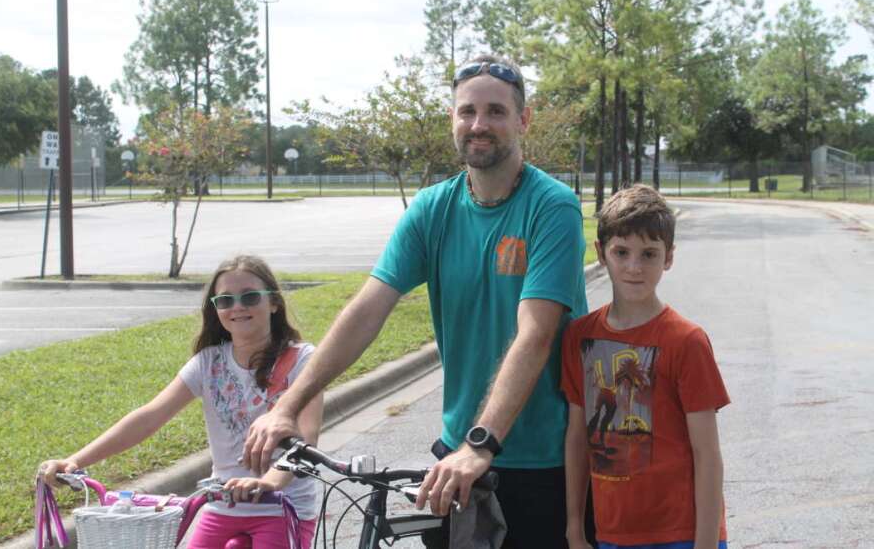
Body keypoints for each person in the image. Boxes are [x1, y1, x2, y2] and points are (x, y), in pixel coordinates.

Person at [241, 54, 588, 548]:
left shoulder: (551, 206)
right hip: (456, 458)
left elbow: (535, 334)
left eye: (495, 111)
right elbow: (367, 309)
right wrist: (289, 407)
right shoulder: (432, 208)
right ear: (452, 119)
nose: (479, 124)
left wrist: (482, 442)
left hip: (539, 460)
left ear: (522, 120)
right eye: (467, 111)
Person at [38, 255, 322, 549]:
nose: (237, 306)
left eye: (249, 296)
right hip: (222, 505)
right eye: (225, 300)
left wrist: (270, 482)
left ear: (274, 303)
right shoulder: (208, 362)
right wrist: (75, 460)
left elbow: (307, 436)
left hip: (281, 507)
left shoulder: (301, 360)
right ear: (216, 310)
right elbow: (149, 416)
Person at [561, 184, 730, 549]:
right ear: (601, 253)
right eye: (621, 252)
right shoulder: (579, 337)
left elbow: (708, 454)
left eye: (649, 254)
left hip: (682, 533)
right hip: (612, 533)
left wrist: (705, 544)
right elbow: (577, 439)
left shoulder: (687, 341)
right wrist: (574, 527)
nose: (634, 268)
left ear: (668, 257)